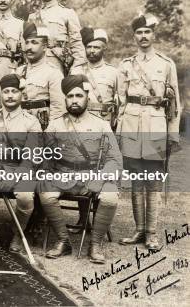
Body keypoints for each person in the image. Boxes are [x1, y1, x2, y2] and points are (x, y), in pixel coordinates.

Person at [39, 75, 121, 263]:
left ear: (87, 97)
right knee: (44, 192)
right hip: (63, 176)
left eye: (79, 95)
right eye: (70, 96)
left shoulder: (100, 124)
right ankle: (63, 241)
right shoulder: (56, 124)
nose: (74, 100)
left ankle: (95, 244)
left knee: (110, 196)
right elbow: (44, 155)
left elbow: (114, 159)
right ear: (65, 99)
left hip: (93, 176)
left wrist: (101, 178)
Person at [117, 14, 180, 251]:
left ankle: (152, 233)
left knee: (152, 181)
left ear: (153, 35)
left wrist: (172, 135)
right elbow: (121, 102)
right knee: (135, 181)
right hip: (132, 125)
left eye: (147, 32)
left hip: (155, 126)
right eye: (139, 33)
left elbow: (175, 105)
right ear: (134, 37)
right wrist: (120, 133)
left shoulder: (166, 64)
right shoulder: (125, 65)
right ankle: (138, 230)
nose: (143, 37)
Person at [0, 74, 42, 252]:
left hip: (20, 169)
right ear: (1, 94)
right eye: (6, 91)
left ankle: (17, 233)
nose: (10, 95)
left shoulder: (31, 121)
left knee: (25, 196)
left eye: (14, 91)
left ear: (21, 94)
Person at [68, 27, 118, 233]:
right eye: (89, 46)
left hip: (104, 125)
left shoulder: (113, 72)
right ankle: (82, 219)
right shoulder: (77, 71)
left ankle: (99, 219)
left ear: (104, 48)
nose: (92, 51)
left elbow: (120, 101)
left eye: (96, 47)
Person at [27, 0, 86, 74]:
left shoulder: (67, 13)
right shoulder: (33, 17)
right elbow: (26, 47)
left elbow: (77, 45)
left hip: (58, 67)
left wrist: (77, 69)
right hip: (36, 68)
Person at [16, 22, 65, 131]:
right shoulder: (18, 72)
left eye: (34, 42)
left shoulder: (53, 73)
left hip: (43, 128)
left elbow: (58, 111)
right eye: (27, 42)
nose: (29, 47)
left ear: (44, 47)